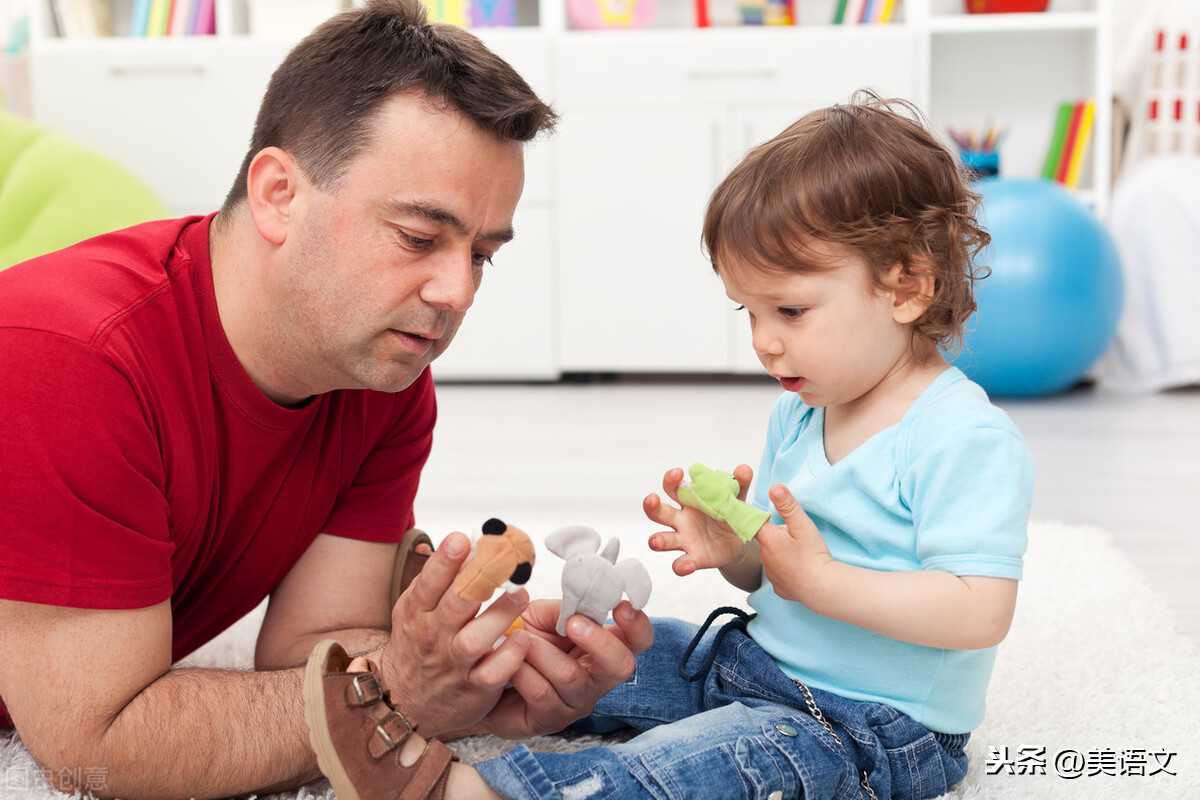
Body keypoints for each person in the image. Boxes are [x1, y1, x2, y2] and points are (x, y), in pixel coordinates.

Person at [0, 1, 651, 797]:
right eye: (418, 237)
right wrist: (396, 693)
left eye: (482, 255)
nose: (457, 293)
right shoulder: (70, 361)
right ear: (277, 193)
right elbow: (90, 747)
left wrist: (473, 680)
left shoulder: (382, 374)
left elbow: (313, 645)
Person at [306, 92, 1035, 799]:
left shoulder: (958, 438)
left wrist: (823, 584)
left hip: (869, 730)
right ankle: (468, 669)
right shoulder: (805, 408)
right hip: (757, 660)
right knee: (622, 648)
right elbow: (777, 578)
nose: (764, 341)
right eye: (748, 312)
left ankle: (471, 791)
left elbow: (977, 610)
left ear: (907, 287)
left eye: (790, 310)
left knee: (701, 763)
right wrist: (740, 552)